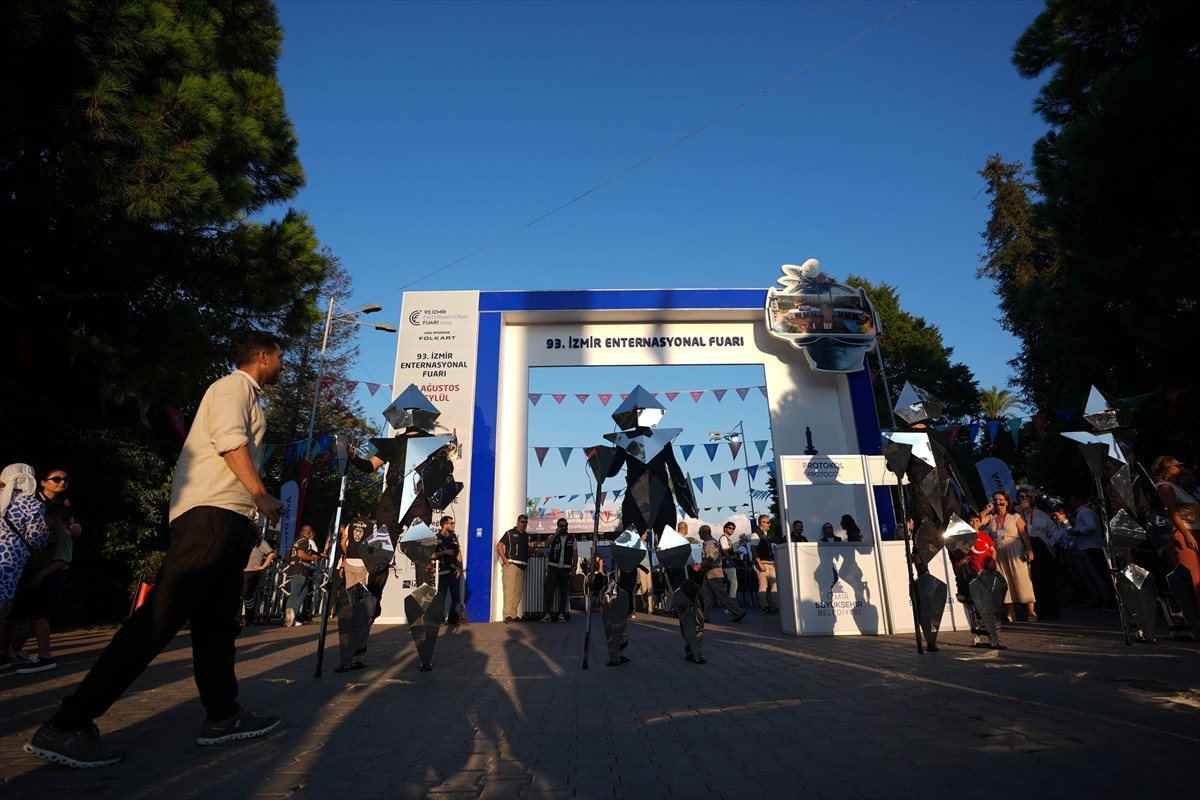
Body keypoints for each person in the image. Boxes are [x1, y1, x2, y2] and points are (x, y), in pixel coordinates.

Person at [27, 330, 285, 768]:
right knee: (159, 617)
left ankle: (223, 715)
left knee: (217, 625)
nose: (282, 365)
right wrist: (260, 494)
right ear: (263, 356)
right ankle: (67, 725)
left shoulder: (249, 395)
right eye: (280, 357)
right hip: (210, 515)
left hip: (229, 520)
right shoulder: (232, 387)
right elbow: (229, 440)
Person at [4, 503, 73, 674]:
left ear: (55, 519)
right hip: (42, 576)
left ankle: (45, 656)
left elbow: (62, 561)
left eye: (46, 518)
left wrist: (41, 574)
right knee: (25, 615)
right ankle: (7, 654)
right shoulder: (54, 534)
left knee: (39, 617)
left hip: (50, 577)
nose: (43, 521)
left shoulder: (63, 535)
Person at [0, 464, 53, 671]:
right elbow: (38, 537)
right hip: (12, 563)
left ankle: (4, 655)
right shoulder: (32, 505)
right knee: (4, 607)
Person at [980, 491, 1037, 623]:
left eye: (1001, 499)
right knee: (1004, 579)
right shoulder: (991, 517)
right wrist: (986, 510)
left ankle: (1031, 611)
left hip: (1014, 547)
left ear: (1006, 502)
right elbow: (976, 522)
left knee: (1021, 577)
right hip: (998, 549)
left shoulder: (1015, 516)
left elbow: (1024, 534)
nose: (998, 502)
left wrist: (1029, 549)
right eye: (995, 499)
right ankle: (1010, 611)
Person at [1152, 456, 1200, 609]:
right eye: (1177, 466)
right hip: (1185, 534)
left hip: (1194, 532)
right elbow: (1172, 513)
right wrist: (1187, 535)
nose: (1181, 468)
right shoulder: (1164, 486)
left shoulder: (1178, 488)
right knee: (1195, 577)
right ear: (1166, 469)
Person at [1018, 488, 1060, 620]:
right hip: (1023, 547)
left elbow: (1054, 531)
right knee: (1029, 580)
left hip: (1041, 547)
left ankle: (1050, 611)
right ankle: (1033, 611)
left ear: (1031, 498)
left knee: (1045, 579)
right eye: (1021, 497)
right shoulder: (1015, 513)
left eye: (1026, 496)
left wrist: (1051, 542)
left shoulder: (1040, 514)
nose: (1024, 499)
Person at [1067, 493, 1115, 609]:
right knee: (1090, 576)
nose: (1071, 503)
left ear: (1077, 500)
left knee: (1097, 574)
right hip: (1087, 546)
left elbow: (1091, 526)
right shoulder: (1083, 512)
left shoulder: (1085, 512)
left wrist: (1078, 532)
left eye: (1072, 500)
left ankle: (1108, 598)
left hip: (1092, 547)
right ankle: (1098, 597)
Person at [697, 525, 745, 621]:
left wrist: (699, 566)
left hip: (713, 571)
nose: (699, 535)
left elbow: (709, 558)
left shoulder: (710, 543)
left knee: (722, 595)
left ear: (705, 532)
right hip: (710, 571)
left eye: (700, 533)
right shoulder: (711, 542)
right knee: (707, 595)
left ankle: (738, 612)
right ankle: (702, 615)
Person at [282, 524, 319, 627]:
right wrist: (312, 558)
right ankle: (290, 615)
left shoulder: (298, 540)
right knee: (295, 593)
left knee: (305, 591)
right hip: (299, 570)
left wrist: (319, 554)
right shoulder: (304, 541)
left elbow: (307, 551)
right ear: (310, 533)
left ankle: (291, 616)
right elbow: (301, 554)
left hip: (294, 570)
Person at [433, 515, 467, 625]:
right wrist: (444, 552)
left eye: (453, 523)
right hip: (442, 571)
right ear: (444, 525)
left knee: (456, 594)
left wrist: (460, 567)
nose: (453, 525)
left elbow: (458, 553)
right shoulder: (436, 538)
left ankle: (456, 618)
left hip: (453, 571)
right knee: (441, 595)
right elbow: (431, 555)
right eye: (451, 523)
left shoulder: (453, 537)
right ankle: (439, 618)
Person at [541, 517, 576, 623]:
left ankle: (561, 614)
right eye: (561, 526)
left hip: (565, 569)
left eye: (565, 526)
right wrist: (556, 534)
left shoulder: (572, 538)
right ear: (558, 527)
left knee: (564, 592)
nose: (563, 528)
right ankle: (547, 614)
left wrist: (574, 567)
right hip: (553, 568)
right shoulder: (553, 536)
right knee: (549, 591)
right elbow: (546, 544)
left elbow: (575, 554)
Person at [497, 515, 530, 622]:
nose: (524, 524)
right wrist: (505, 560)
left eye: (526, 522)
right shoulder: (510, 533)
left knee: (518, 592)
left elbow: (527, 548)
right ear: (518, 522)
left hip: (522, 565)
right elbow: (499, 545)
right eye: (522, 522)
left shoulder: (526, 536)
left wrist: (536, 550)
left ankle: (514, 614)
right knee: (509, 591)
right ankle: (507, 615)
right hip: (511, 564)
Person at [240, 531, 275, 624]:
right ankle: (237, 618)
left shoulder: (261, 542)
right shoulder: (242, 540)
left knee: (247, 594)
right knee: (238, 594)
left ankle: (249, 617)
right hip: (240, 570)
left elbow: (271, 553)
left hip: (252, 571)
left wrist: (262, 566)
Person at [753, 515, 779, 614]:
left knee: (774, 584)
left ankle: (775, 606)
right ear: (762, 523)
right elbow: (753, 549)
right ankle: (765, 607)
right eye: (768, 522)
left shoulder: (765, 535)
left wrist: (774, 562)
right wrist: (759, 562)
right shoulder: (755, 534)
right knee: (763, 585)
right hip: (762, 562)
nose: (769, 524)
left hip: (770, 562)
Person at [719, 522, 740, 606]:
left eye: (733, 529)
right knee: (733, 584)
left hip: (727, 564)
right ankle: (732, 605)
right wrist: (731, 560)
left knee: (729, 585)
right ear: (725, 529)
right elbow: (724, 550)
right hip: (728, 565)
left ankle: (729, 606)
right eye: (730, 528)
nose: (732, 530)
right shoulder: (723, 538)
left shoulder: (726, 538)